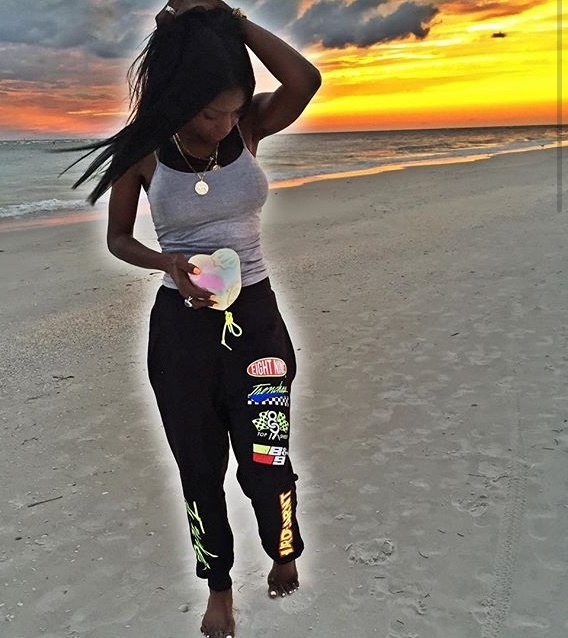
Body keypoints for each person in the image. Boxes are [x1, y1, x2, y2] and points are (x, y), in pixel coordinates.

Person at [71, 2, 321, 637]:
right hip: (183, 334)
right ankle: (219, 587)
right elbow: (118, 240)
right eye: (211, 113)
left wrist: (229, 19)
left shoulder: (249, 128)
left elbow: (304, 81)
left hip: (257, 323)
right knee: (199, 469)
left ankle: (283, 547)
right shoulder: (143, 151)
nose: (223, 124)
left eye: (233, 110)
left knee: (268, 457)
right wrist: (167, 262)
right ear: (179, 98)